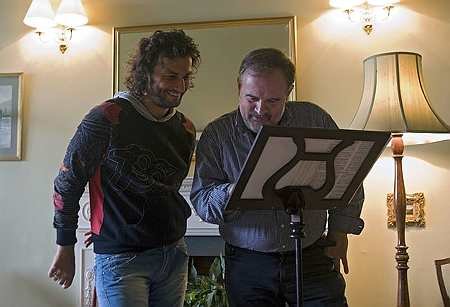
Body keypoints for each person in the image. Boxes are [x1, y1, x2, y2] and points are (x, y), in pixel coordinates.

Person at [190, 48, 365, 307]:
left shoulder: (314, 119)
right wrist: (235, 191)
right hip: (248, 263)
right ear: (238, 87)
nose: (261, 109)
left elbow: (348, 176)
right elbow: (203, 203)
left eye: (273, 100)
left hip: (313, 256)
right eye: (251, 98)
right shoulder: (217, 135)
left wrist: (340, 232)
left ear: (289, 92)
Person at [48, 29, 201, 307]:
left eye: (186, 77)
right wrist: (65, 245)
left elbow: (165, 191)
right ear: (145, 74)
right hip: (122, 260)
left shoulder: (185, 129)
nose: (180, 85)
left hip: (174, 254)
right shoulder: (106, 118)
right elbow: (67, 183)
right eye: (170, 76)